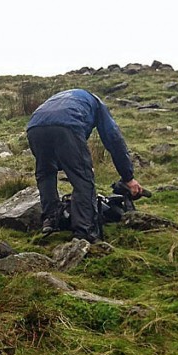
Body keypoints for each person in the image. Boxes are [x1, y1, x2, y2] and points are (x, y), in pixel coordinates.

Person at [27, 89, 143, 242]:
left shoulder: (63, 98)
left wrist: (68, 163)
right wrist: (128, 177)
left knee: (46, 173)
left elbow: (58, 158)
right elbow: (114, 139)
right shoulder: (97, 104)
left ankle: (52, 219)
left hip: (35, 127)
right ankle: (84, 231)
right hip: (67, 125)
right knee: (83, 179)